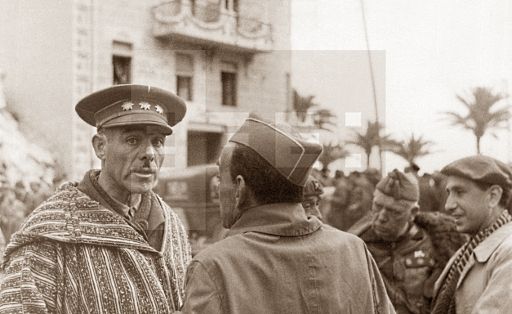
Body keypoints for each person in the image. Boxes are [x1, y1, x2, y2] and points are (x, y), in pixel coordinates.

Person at [0, 84, 191, 313]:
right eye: (132, 140)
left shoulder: (172, 226)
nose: (149, 153)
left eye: (157, 142)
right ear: (100, 147)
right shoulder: (51, 235)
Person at [180, 116, 395, 313]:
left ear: (239, 188)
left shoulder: (213, 267)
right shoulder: (354, 250)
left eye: (220, 177)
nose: (218, 188)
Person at [349, 169, 442, 314]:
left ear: (412, 213)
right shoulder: (356, 246)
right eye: (377, 206)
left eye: (394, 211)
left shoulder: (433, 246)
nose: (381, 217)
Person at [431, 155, 512, 313]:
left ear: (493, 196)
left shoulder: (507, 253)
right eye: (449, 193)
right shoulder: (472, 247)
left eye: (459, 192)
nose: (448, 205)